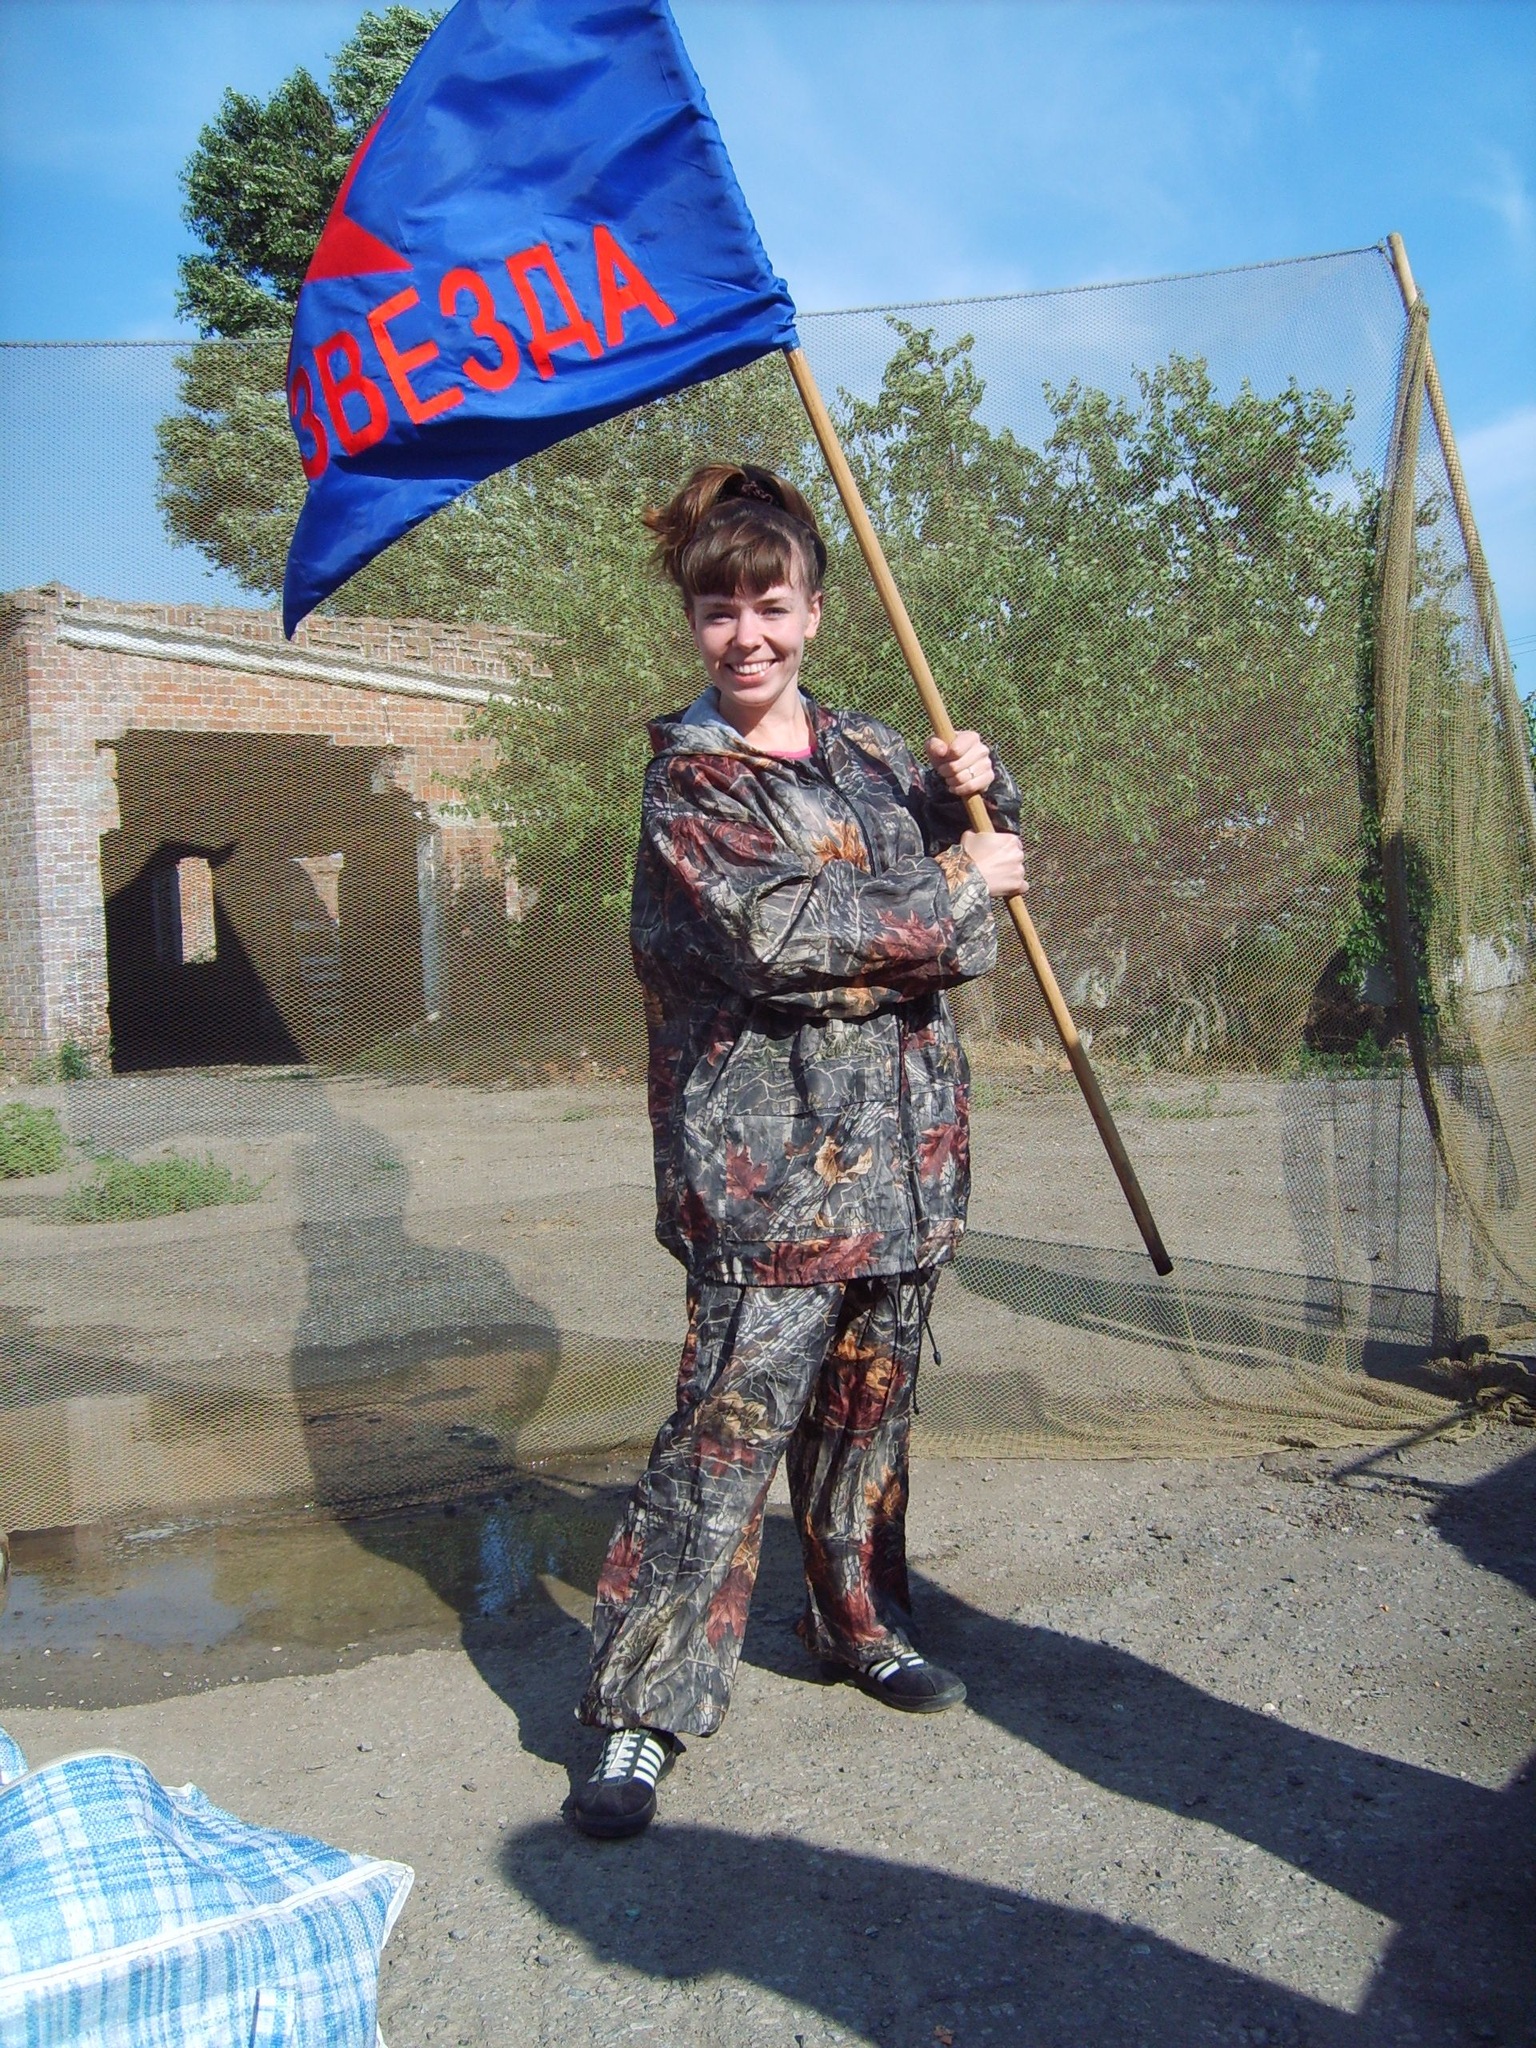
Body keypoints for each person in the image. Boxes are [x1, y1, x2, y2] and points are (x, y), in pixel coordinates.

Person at [570, 462, 1026, 1839]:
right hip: (767, 1177)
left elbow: (988, 887)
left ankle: (858, 1622)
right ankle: (642, 1707)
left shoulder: (880, 751)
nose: (747, 636)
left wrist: (986, 794)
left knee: (870, 1413)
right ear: (694, 622)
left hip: (909, 1158)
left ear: (816, 612)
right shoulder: (691, 783)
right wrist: (955, 892)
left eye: (772, 607)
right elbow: (785, 937)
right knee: (724, 1438)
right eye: (721, 611)